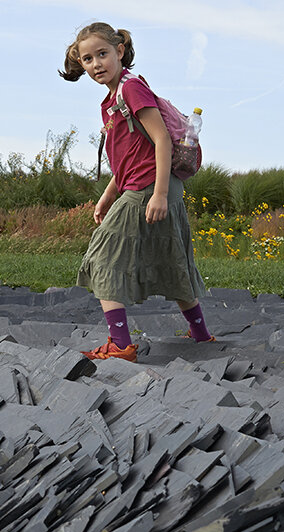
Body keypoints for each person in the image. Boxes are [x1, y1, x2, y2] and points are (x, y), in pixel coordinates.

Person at [59, 23, 213, 362]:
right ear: (81, 64)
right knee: (171, 259)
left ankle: (121, 346)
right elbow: (130, 155)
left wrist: (157, 194)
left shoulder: (131, 90)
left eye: (103, 54)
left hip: (150, 188)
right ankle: (201, 334)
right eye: (88, 58)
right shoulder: (113, 98)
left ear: (120, 52)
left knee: (103, 258)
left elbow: (160, 140)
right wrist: (108, 194)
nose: (96, 63)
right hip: (150, 185)